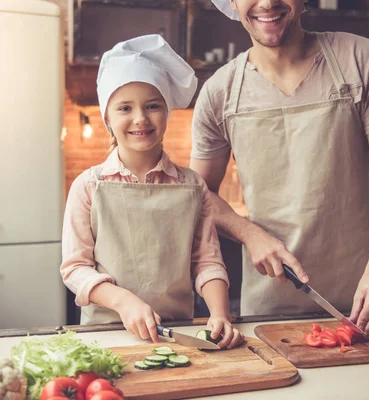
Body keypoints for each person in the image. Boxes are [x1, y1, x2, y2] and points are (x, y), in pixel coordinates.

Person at [190, 0, 369, 336]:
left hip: (361, 301)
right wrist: (250, 234)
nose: (267, 3)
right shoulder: (219, 93)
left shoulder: (360, 59)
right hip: (267, 310)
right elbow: (200, 194)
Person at [60, 34, 244, 349]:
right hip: (106, 335)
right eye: (125, 108)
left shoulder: (192, 185)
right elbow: (75, 268)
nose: (140, 118)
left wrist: (220, 314)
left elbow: (207, 261)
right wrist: (122, 301)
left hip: (178, 332)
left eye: (152, 105)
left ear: (167, 112)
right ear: (107, 119)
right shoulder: (88, 186)